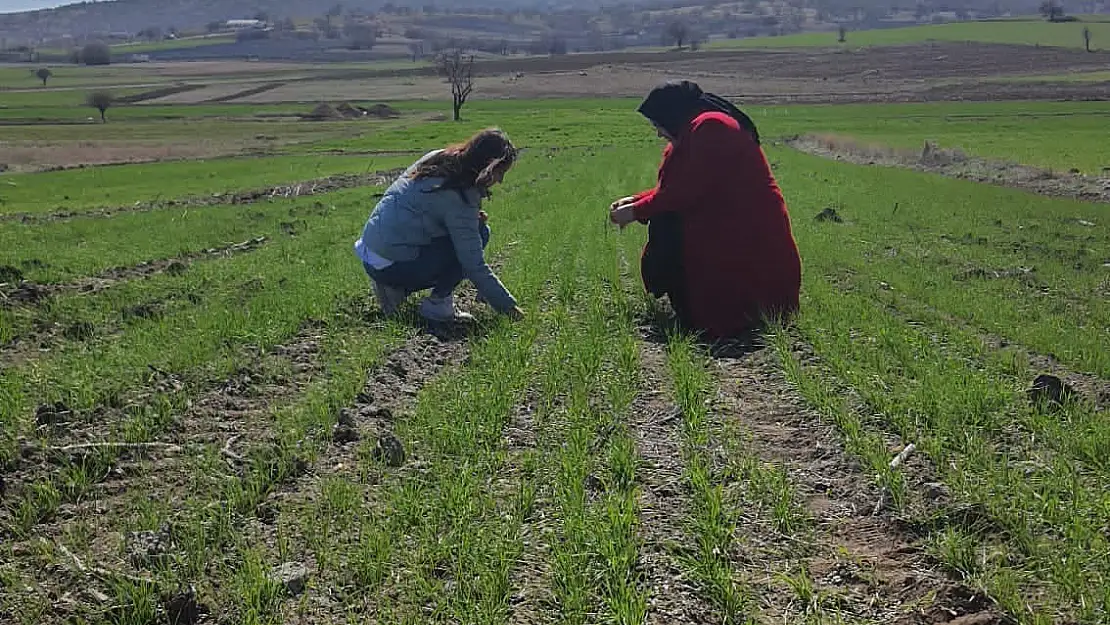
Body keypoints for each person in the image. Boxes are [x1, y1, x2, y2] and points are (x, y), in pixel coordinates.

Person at [609, 80, 802, 341]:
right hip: (726, 228)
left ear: (671, 114)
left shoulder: (712, 128)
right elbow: (676, 187)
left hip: (746, 235)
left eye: (658, 125)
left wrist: (636, 211)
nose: (658, 133)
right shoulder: (693, 131)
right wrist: (635, 200)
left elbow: (688, 190)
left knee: (721, 317)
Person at [354, 128, 524, 322]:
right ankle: (437, 305)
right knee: (480, 233)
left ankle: (392, 288)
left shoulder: (438, 158)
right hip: (392, 265)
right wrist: (510, 309)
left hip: (372, 254)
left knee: (473, 229)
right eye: (500, 173)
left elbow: (423, 213)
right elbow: (473, 264)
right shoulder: (460, 195)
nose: (500, 181)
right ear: (487, 166)